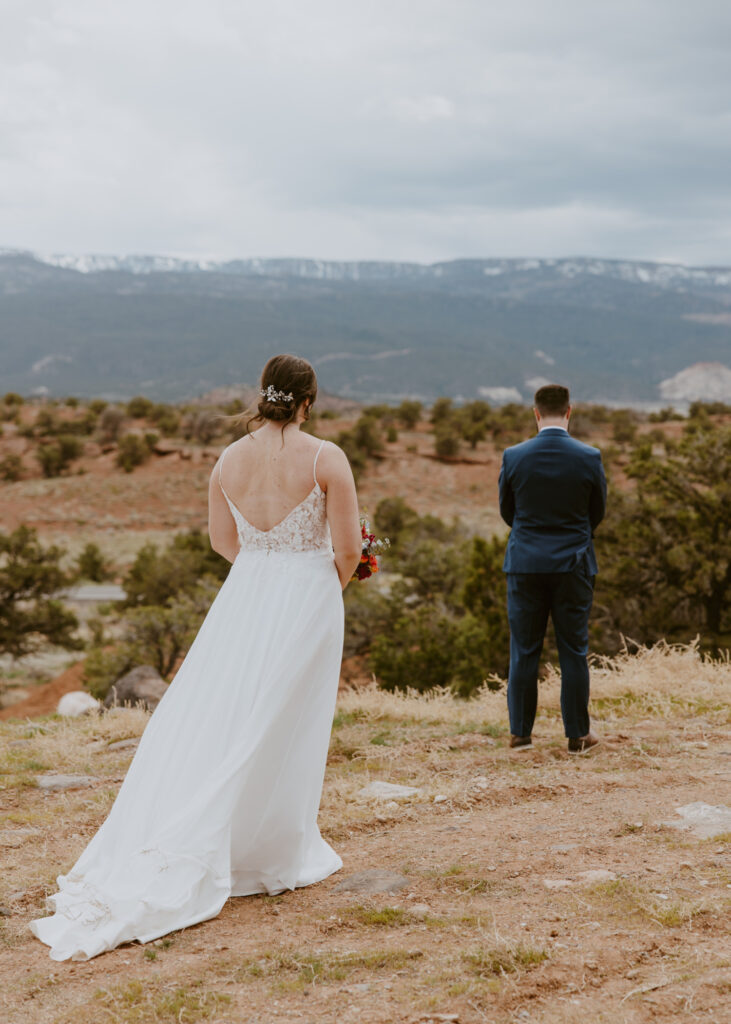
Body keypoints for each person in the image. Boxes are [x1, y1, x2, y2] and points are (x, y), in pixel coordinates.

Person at [30, 354, 363, 961]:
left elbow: (221, 541)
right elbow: (346, 548)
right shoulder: (326, 458)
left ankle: (236, 837)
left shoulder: (227, 459)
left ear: (265, 397)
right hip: (307, 597)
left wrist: (261, 578)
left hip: (244, 597)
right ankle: (270, 849)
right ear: (309, 400)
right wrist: (318, 592)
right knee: (288, 720)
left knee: (229, 714)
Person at [498, 384, 607, 753]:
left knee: (524, 650)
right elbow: (598, 512)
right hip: (574, 564)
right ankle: (577, 736)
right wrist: (573, 535)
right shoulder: (589, 457)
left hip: (525, 563)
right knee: (573, 650)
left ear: (536, 413)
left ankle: (520, 735)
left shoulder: (514, 456)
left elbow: (506, 512)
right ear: (569, 411)